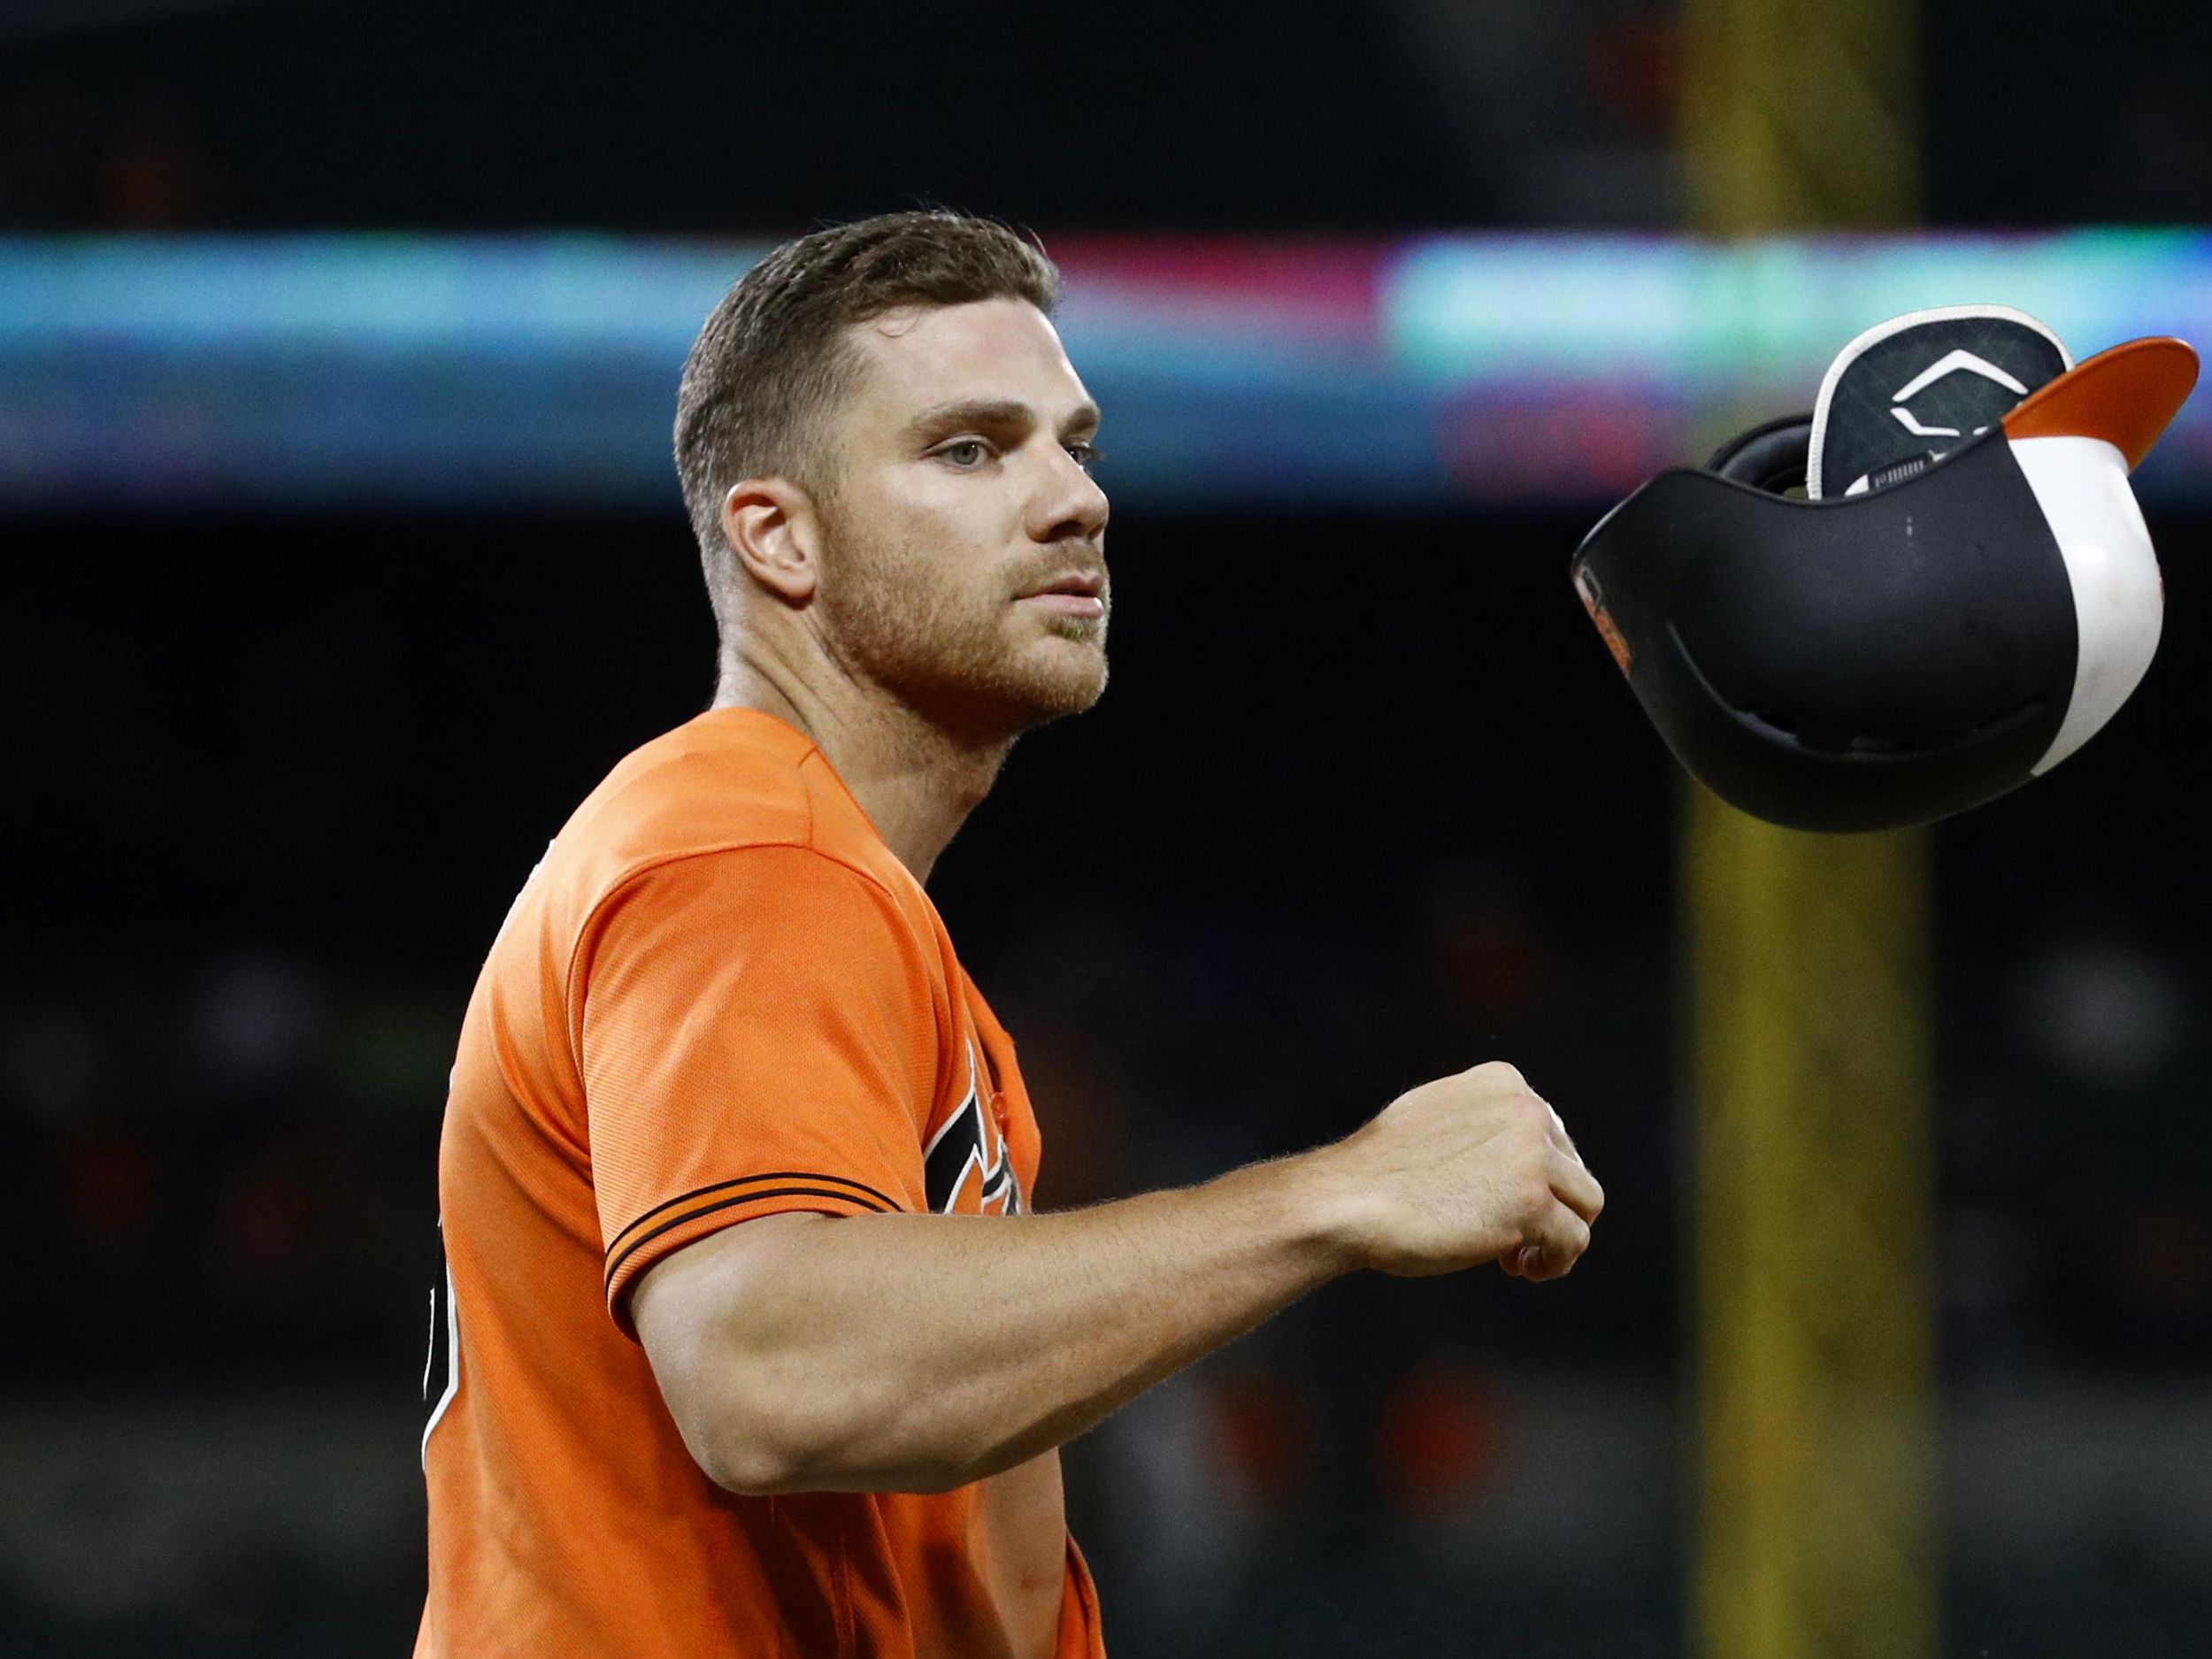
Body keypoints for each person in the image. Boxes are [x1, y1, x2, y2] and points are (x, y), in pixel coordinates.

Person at [415, 209, 1604, 1659]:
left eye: (1075, 444)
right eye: (969, 450)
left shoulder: (836, 896)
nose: (1075, 501)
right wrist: (1336, 1197)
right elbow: (767, 1368)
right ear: (778, 538)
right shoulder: (748, 852)